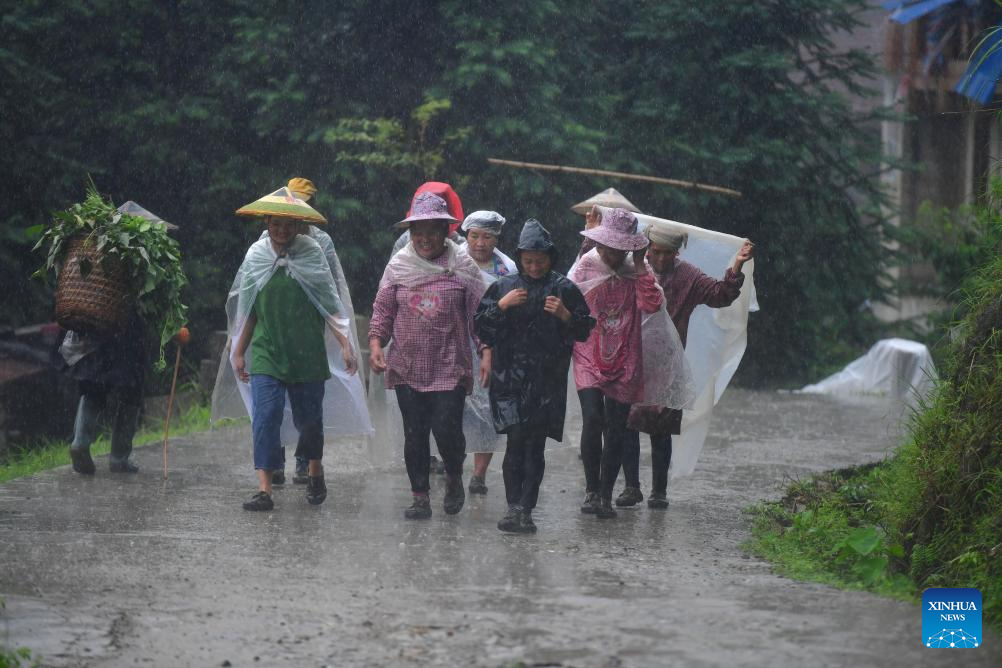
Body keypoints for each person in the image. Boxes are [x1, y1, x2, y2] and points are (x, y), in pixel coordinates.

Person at [230, 187, 358, 511]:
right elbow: (248, 310)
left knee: (309, 421)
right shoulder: (256, 256)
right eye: (276, 224)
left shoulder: (312, 253)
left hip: (306, 352)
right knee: (266, 417)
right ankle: (265, 489)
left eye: (289, 224)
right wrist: (239, 351)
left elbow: (330, 304)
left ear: (299, 224)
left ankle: (315, 469)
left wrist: (346, 345)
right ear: (267, 223)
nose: (282, 230)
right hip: (267, 350)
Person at [617, 222, 755, 509]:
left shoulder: (687, 275)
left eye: (669, 253)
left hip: (669, 363)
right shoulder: (633, 269)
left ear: (677, 252)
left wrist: (737, 266)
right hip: (631, 358)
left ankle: (659, 490)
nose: (663, 259)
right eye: (657, 252)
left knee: (661, 427)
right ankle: (631, 486)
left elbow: (720, 295)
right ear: (648, 248)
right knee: (626, 424)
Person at [369, 192, 488, 519]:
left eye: (433, 230)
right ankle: (420, 496)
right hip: (408, 365)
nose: (425, 238)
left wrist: (487, 350)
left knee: (448, 430)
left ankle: (453, 476)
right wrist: (377, 344)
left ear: (446, 231)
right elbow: (382, 310)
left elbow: (480, 315)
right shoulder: (399, 266)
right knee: (415, 433)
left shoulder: (462, 265)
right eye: (418, 231)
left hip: (449, 365)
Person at [475, 219, 594, 533]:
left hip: (546, 382)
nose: (534, 266)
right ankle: (514, 506)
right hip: (507, 380)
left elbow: (585, 329)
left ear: (550, 258)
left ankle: (527, 508)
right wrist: (501, 306)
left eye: (540, 261)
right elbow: (481, 327)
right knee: (515, 441)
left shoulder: (564, 288)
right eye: (528, 261)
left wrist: (565, 315)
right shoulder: (504, 287)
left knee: (534, 446)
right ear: (519, 259)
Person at [569, 208, 665, 519]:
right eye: (607, 246)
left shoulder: (638, 271)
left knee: (616, 428)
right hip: (588, 351)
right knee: (593, 418)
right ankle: (591, 488)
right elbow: (570, 298)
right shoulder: (586, 265)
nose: (611, 254)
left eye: (619, 249)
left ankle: (606, 495)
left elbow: (652, 304)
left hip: (626, 355)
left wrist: (639, 265)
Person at [459, 210, 517, 496]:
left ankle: (479, 474)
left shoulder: (508, 270)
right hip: (456, 344)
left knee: (486, 409)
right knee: (455, 408)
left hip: (493, 346)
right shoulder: (453, 261)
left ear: (497, 238)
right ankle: (452, 463)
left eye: (488, 237)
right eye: (475, 236)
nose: (480, 243)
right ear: (466, 235)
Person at [61, 311, 150, 475]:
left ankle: (80, 442)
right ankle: (119, 459)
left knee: (94, 385)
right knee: (131, 389)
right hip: (125, 325)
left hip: (95, 320)